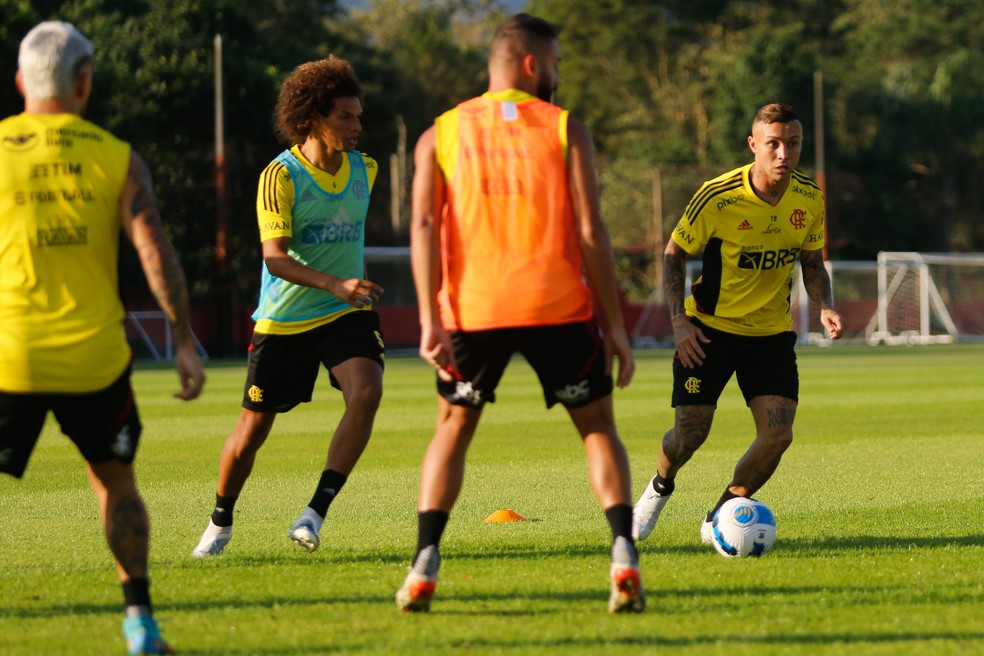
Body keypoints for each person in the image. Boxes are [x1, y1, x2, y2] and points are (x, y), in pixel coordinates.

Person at [395, 13, 643, 614]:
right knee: (598, 429)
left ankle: (425, 559)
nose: (556, 75)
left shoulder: (440, 134)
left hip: (472, 312)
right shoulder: (565, 130)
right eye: (555, 63)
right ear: (532, 64)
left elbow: (423, 226)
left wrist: (430, 316)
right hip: (558, 305)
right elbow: (590, 230)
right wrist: (614, 325)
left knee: (452, 429)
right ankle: (622, 554)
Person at [0, 21, 206, 655]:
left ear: (19, 81)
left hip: (10, 357)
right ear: (85, 82)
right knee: (116, 483)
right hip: (95, 360)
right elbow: (154, 251)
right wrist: (181, 338)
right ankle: (140, 625)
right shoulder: (117, 156)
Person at [192, 56, 385, 558]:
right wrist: (334, 283)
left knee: (366, 391)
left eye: (359, 115)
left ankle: (314, 513)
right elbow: (274, 259)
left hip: (346, 313)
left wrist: (344, 291)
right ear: (311, 118)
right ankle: (220, 520)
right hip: (286, 320)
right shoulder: (280, 176)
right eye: (346, 116)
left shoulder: (366, 169)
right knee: (251, 431)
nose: (358, 126)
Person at [632, 103, 843, 546]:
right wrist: (679, 323)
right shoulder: (718, 196)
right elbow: (674, 253)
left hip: (770, 335)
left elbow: (812, 261)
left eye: (793, 143)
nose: (784, 153)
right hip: (708, 331)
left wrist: (824, 304)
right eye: (774, 144)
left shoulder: (809, 197)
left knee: (778, 434)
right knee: (690, 434)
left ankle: (720, 517)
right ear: (754, 145)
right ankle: (658, 489)